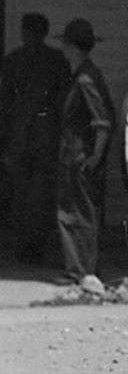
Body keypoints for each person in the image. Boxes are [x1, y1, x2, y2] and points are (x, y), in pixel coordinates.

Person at [1, 13, 72, 263]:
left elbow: (5, 102)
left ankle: (23, 248)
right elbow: (65, 102)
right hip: (47, 134)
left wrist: (5, 139)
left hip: (20, 135)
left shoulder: (13, 61)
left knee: (21, 193)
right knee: (41, 194)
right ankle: (37, 246)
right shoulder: (58, 61)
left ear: (25, 31)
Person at [55, 18, 113, 292]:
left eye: (66, 45)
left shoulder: (85, 79)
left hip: (79, 154)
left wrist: (95, 155)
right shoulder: (82, 74)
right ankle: (80, 268)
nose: (63, 49)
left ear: (73, 48)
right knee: (74, 212)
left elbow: (102, 121)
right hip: (72, 152)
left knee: (77, 213)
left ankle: (81, 269)